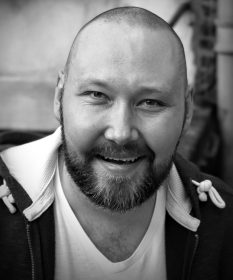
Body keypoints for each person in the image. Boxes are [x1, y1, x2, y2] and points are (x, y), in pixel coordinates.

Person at [0, 6, 233, 280]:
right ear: (59, 97)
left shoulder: (224, 227)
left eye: (151, 102)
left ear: (187, 110)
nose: (121, 133)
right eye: (97, 95)